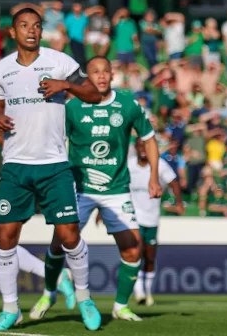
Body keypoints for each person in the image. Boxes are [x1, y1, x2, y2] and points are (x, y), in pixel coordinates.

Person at [0, 8, 103, 330]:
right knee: (5, 238)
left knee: (70, 235)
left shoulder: (60, 62)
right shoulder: (1, 70)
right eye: (24, 26)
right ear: (12, 33)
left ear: (42, 32)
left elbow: (94, 94)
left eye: (37, 26)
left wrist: (64, 86)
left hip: (54, 165)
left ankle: (84, 298)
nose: (31, 30)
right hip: (15, 166)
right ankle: (10, 309)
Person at [31, 56, 162, 322]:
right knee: (58, 244)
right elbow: (53, 145)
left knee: (133, 249)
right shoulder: (73, 107)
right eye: (95, 72)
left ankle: (121, 306)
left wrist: (154, 177)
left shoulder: (127, 105)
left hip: (116, 190)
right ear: (87, 78)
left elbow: (149, 140)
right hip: (79, 189)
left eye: (105, 71)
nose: (101, 76)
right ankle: (49, 291)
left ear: (112, 75)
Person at [0, 129, 76, 308]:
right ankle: (56, 276)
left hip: (6, 177)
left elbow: (3, 141)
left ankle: (13, 306)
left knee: (1, 241)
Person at [131, 138, 184, 307]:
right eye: (140, 146)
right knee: (136, 252)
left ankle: (147, 292)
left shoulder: (159, 165)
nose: (143, 149)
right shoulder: (129, 165)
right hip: (133, 217)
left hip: (152, 217)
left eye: (145, 146)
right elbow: (116, 184)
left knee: (150, 256)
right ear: (136, 148)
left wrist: (179, 202)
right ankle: (138, 291)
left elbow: (174, 183)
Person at [64, 3, 89, 67]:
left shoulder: (84, 17)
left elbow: (86, 28)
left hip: (81, 39)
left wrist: (85, 37)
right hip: (73, 38)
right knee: (76, 54)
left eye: (78, 7)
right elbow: (65, 28)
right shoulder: (69, 17)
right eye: (76, 7)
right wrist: (66, 36)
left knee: (83, 55)